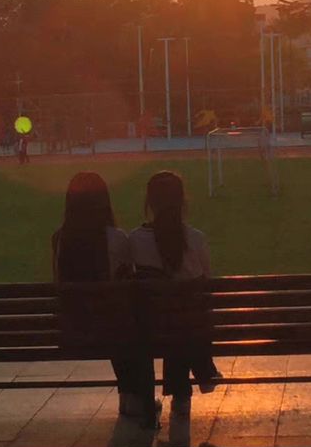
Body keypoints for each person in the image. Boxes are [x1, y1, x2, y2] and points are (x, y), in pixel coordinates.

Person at [128, 170, 222, 417]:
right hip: (191, 330)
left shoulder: (135, 240)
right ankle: (203, 369)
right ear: (182, 201)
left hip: (153, 330)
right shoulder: (196, 239)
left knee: (170, 322)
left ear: (149, 202)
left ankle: (187, 390)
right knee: (186, 320)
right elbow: (206, 285)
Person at [52, 172, 145, 419]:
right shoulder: (115, 238)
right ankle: (132, 397)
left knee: (112, 315)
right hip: (110, 328)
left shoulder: (60, 239)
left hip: (73, 329)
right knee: (127, 319)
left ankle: (128, 396)